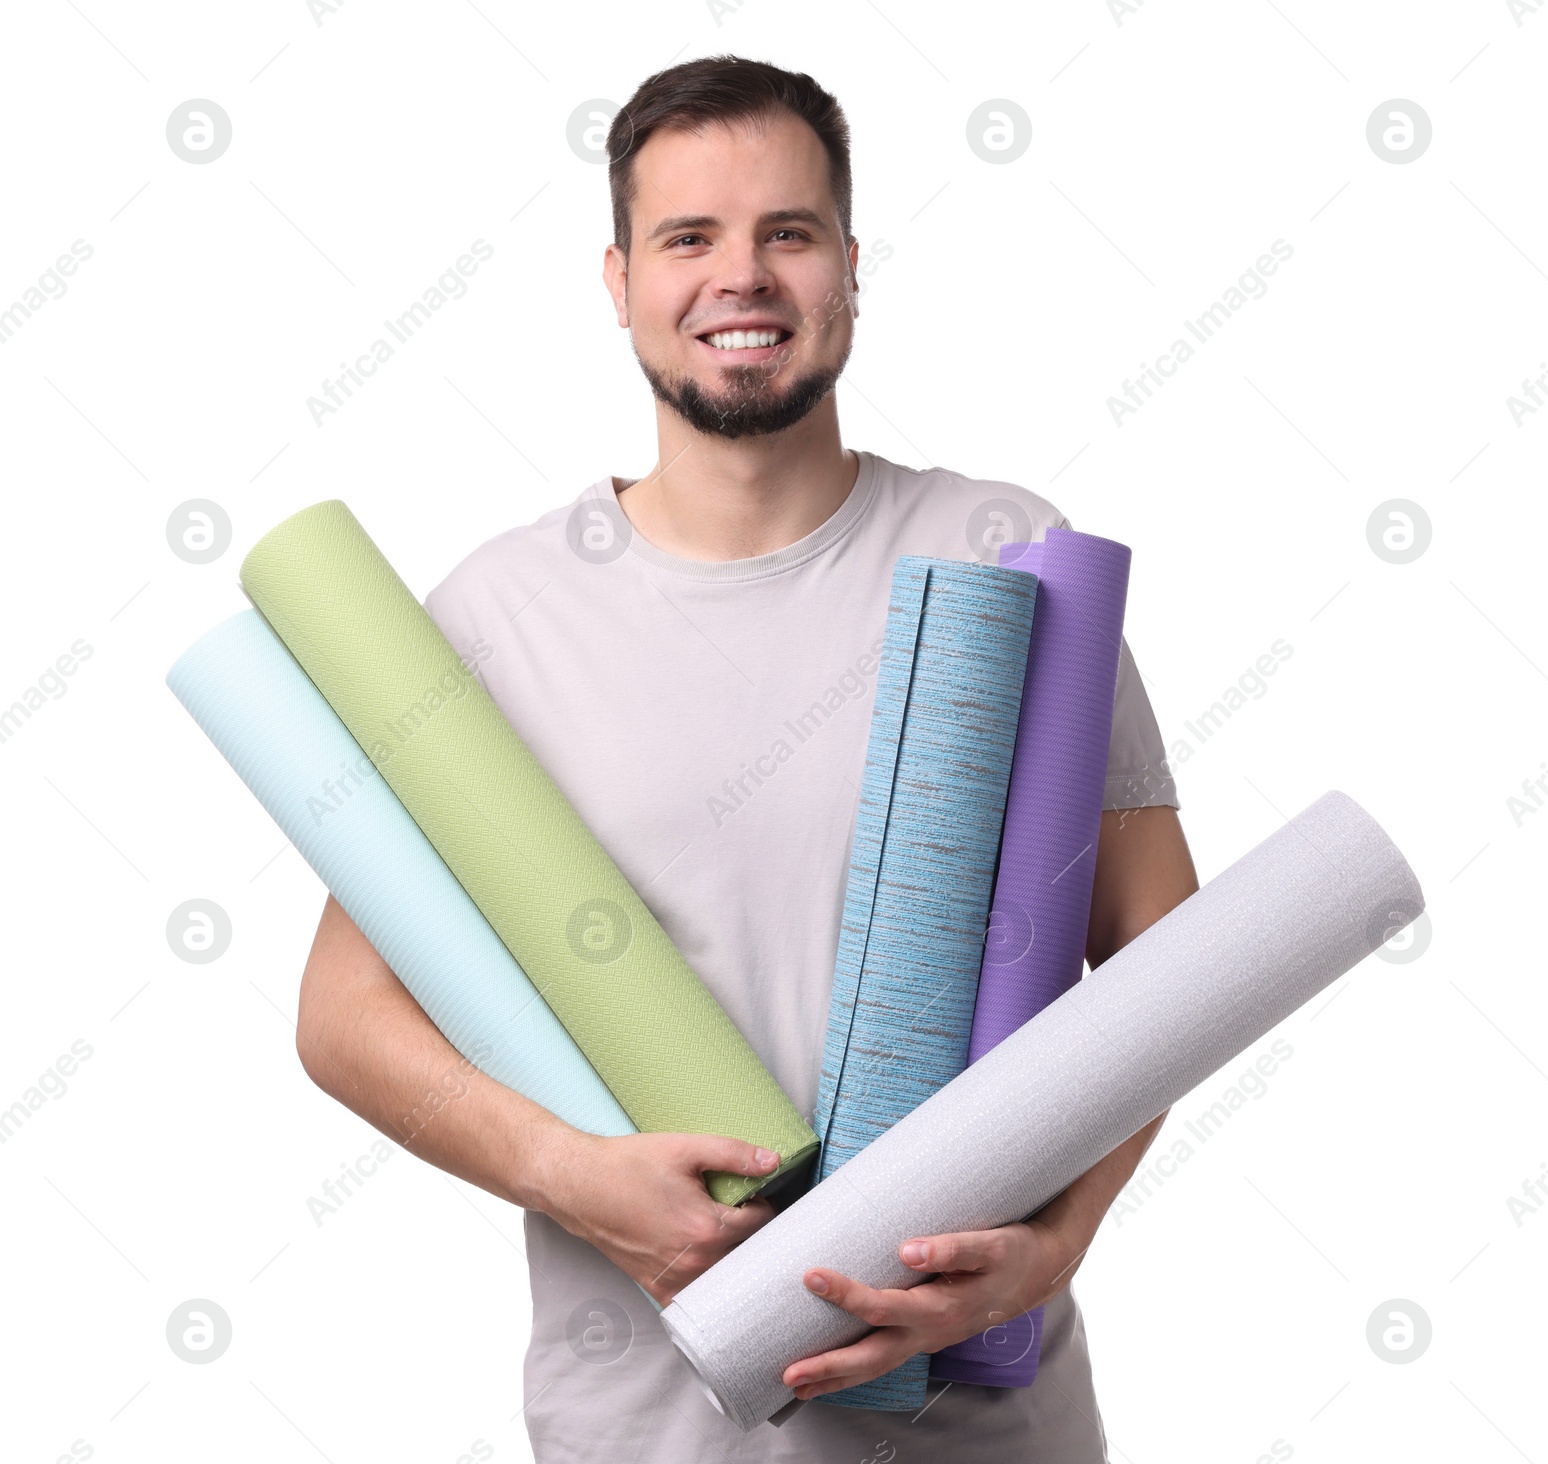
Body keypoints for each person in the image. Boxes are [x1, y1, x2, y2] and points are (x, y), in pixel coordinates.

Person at [296, 53, 1200, 1463]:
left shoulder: (1006, 558)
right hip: (648, 1427)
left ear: (849, 262)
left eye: (789, 232)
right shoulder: (495, 618)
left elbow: (1166, 955)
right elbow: (344, 1016)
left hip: (985, 1421)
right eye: (689, 238)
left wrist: (1056, 1245)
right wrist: (578, 1178)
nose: (744, 277)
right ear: (618, 279)